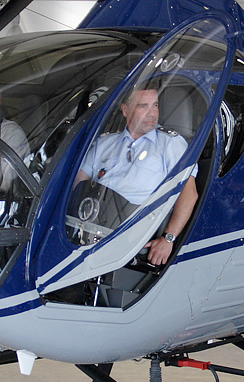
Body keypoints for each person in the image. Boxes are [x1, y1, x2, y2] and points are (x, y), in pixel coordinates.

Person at [76, 87, 198, 266]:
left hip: (132, 240)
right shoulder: (103, 143)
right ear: (125, 110)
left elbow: (189, 194)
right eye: (143, 106)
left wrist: (168, 239)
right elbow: (78, 185)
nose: (152, 113)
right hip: (90, 231)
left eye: (155, 105)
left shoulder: (171, 144)